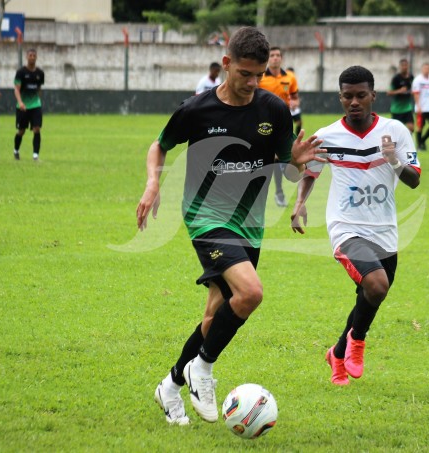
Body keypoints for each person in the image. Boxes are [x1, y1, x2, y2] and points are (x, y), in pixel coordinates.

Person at [136, 27, 325, 425]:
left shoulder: (273, 109)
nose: (252, 83)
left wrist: (297, 161)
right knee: (251, 293)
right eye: (244, 74)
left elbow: (288, 174)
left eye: (258, 75)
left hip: (250, 223)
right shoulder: (197, 109)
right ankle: (201, 370)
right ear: (226, 65)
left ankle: (169, 387)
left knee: (217, 311)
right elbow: (160, 144)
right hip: (206, 216)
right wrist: (153, 183)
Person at [290, 66, 421, 386]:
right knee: (376, 285)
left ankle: (337, 353)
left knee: (371, 295)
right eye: (347, 96)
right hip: (346, 226)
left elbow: (414, 180)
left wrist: (394, 160)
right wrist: (299, 204)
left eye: (361, 95)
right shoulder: (327, 136)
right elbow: (310, 173)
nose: (354, 102)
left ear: (373, 96)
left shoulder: (396, 132)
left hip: (385, 229)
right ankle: (357, 344)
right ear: (340, 97)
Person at [259, 47, 300, 207]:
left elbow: (295, 97)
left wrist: (295, 103)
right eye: (272, 55)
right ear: (268, 59)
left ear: (281, 58)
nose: (275, 58)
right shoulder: (261, 77)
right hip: (263, 123)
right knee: (267, 158)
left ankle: (279, 192)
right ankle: (274, 191)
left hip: (283, 123)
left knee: (277, 158)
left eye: (278, 55)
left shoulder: (290, 78)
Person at [13, 48, 45, 161]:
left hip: (35, 105)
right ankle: (16, 151)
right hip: (22, 107)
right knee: (21, 131)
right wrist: (20, 102)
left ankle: (35, 155)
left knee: (37, 129)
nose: (32, 57)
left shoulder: (40, 73)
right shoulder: (21, 72)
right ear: (26, 57)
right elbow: (16, 89)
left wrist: (39, 101)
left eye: (34, 55)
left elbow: (39, 88)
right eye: (30, 55)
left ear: (36, 57)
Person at [387, 58, 415, 133]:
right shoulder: (396, 78)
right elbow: (389, 92)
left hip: (407, 108)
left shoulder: (411, 77)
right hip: (397, 109)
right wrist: (399, 91)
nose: (404, 67)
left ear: (408, 66)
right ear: (400, 66)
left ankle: (407, 142)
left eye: (405, 65)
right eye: (402, 65)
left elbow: (414, 88)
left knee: (411, 128)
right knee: (396, 131)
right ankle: (399, 142)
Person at [286, 66, 303, 136]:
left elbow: (296, 96)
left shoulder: (294, 83)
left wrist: (297, 103)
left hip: (294, 108)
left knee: (299, 122)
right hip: (287, 107)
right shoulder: (284, 82)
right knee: (287, 125)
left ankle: (297, 136)